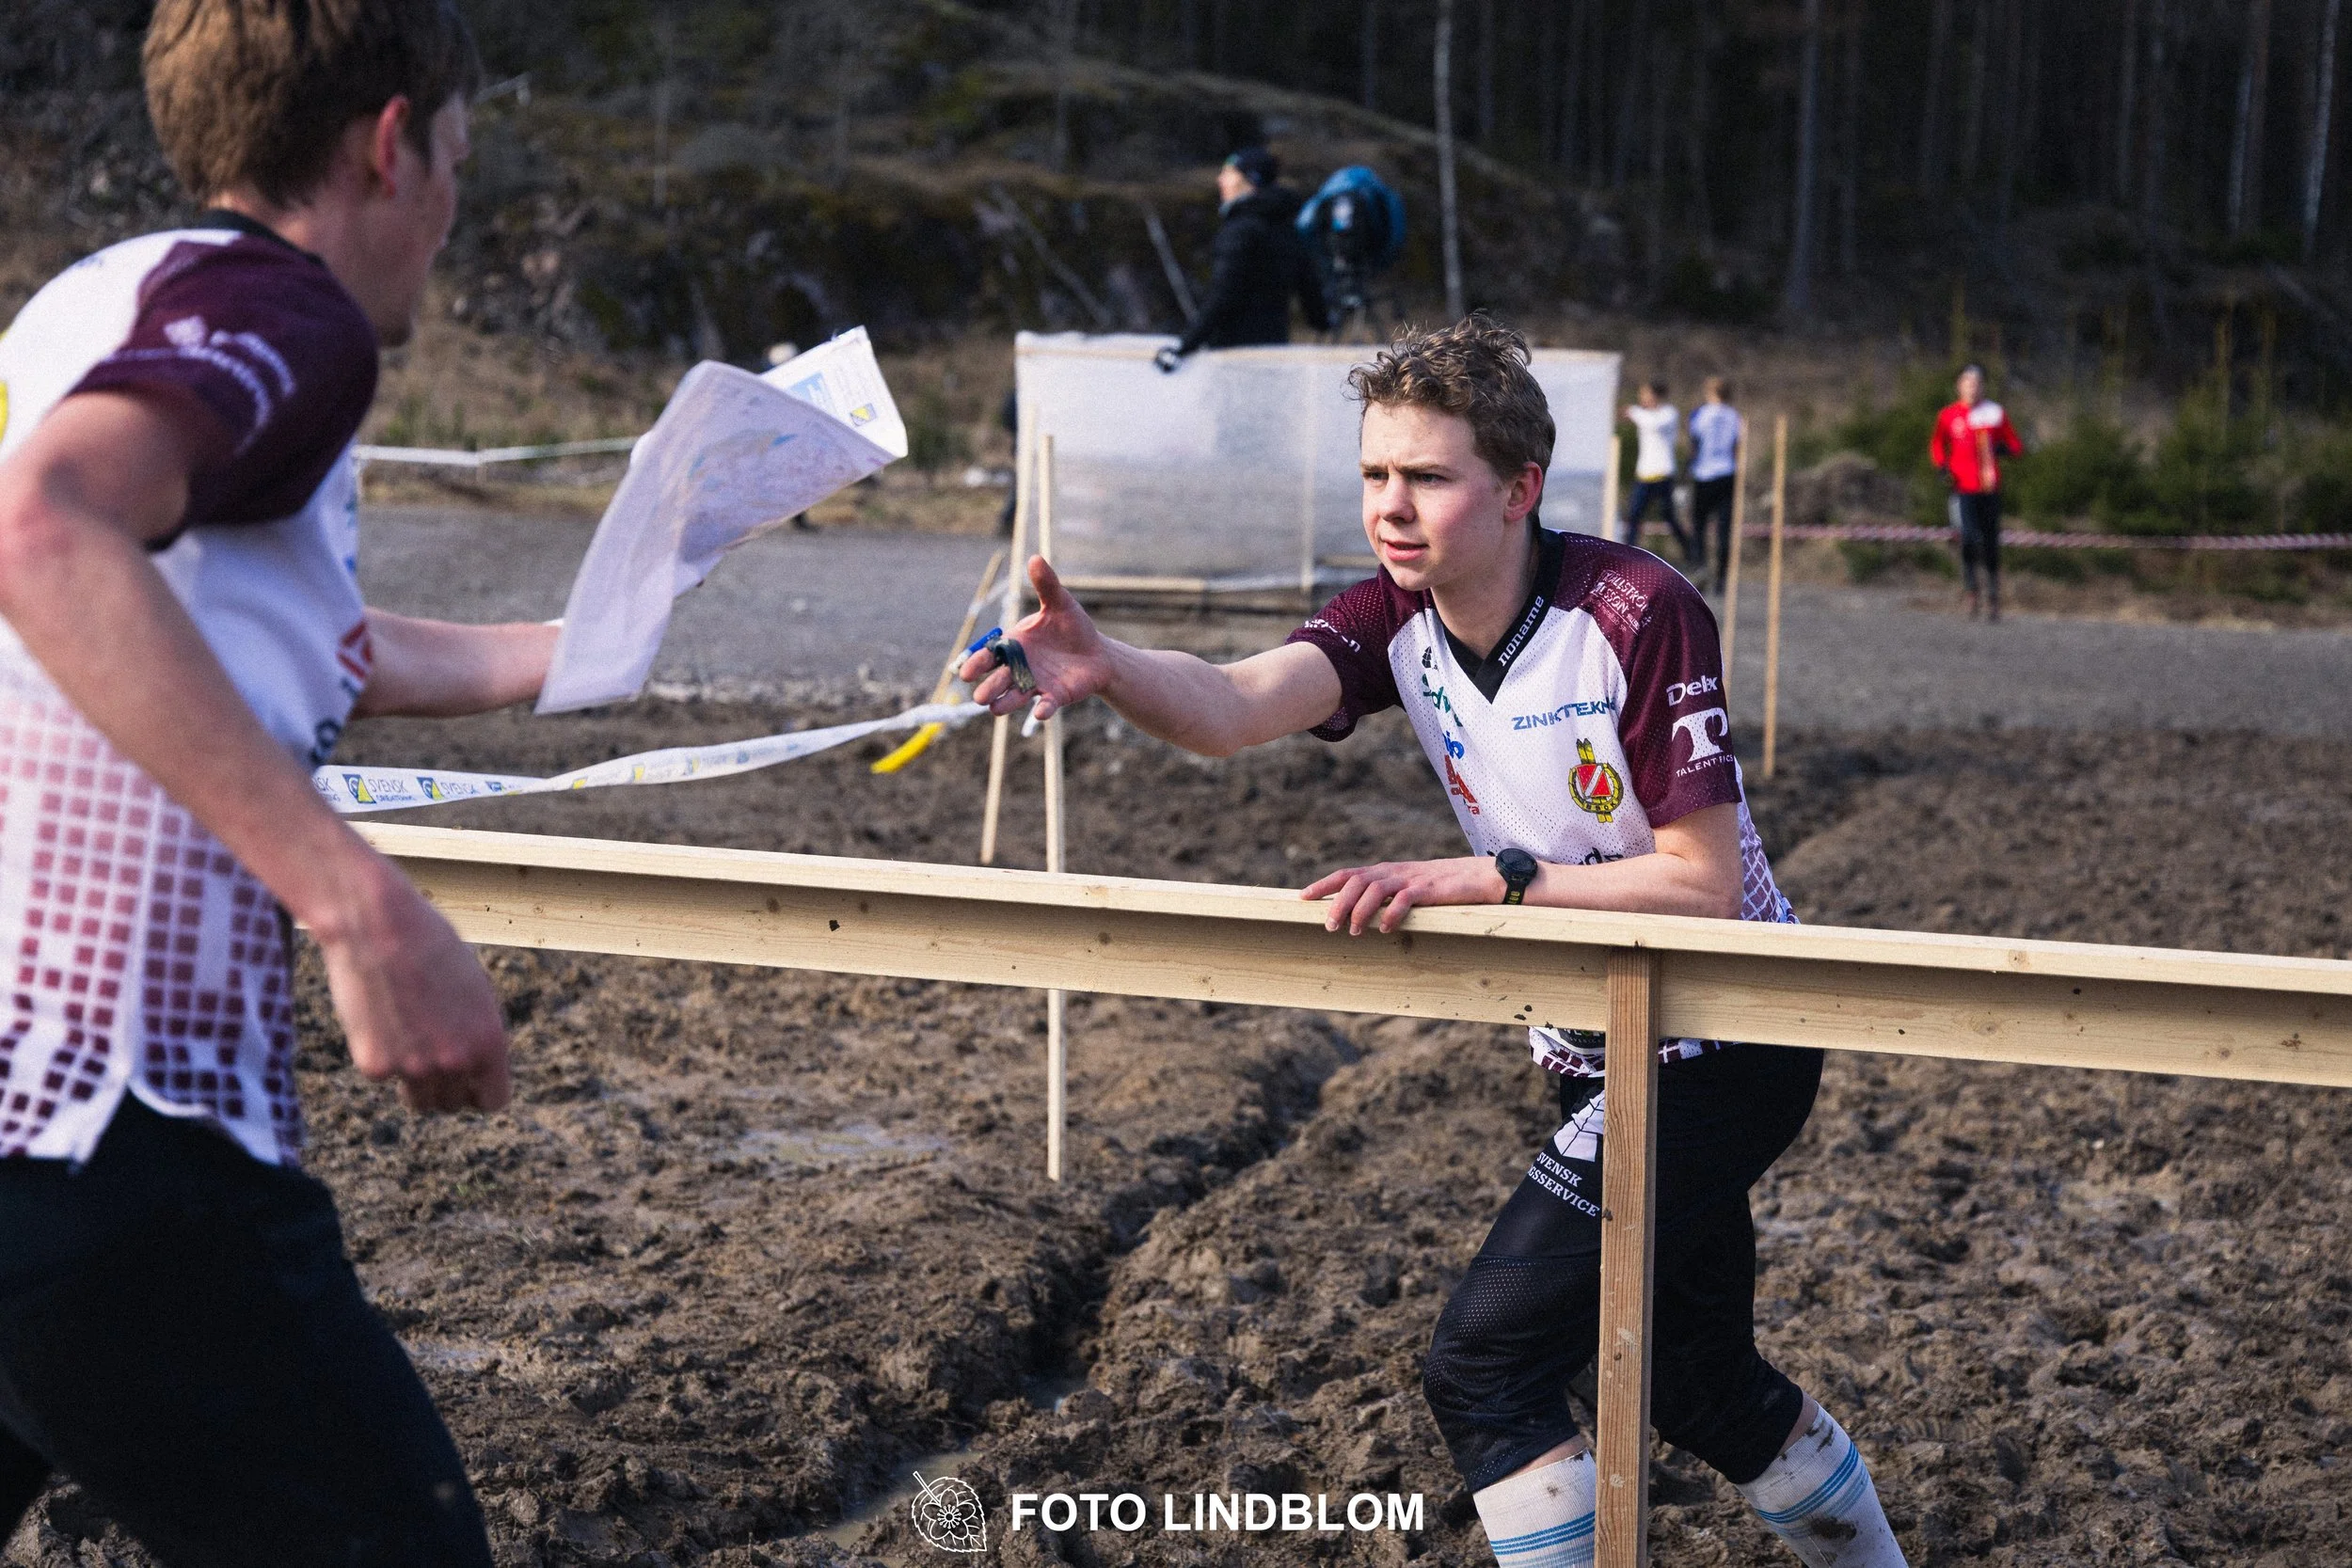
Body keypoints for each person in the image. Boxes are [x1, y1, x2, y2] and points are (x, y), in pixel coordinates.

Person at [963, 315, 1909, 1568]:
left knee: (1483, 1364)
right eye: (1374, 475)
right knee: (1697, 1381)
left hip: (1727, 1042)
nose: (1391, 507)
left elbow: (1703, 889)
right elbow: (1240, 701)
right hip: (1596, 1046)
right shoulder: (1390, 616)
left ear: (1520, 488)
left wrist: (1493, 876)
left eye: (1428, 477)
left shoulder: (1639, 608)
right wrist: (1109, 663)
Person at [0, 3, 556, 1561]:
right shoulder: (288, 311)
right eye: (455, 160)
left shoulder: (93, 305)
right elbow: (46, 535)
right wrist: (362, 904)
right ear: (392, 146)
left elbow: (283, 643)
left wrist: (568, 653)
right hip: (120, 1138)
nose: (451, 208)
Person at [1154, 147, 1330, 372]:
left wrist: (1184, 345)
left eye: (1228, 173)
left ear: (1249, 181)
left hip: (1234, 356)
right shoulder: (1285, 227)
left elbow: (1224, 294)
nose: (1220, 180)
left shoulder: (1240, 230)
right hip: (1274, 350)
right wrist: (1323, 322)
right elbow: (1309, 288)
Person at [1929, 364, 2023, 621]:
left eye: (1977, 382)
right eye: (1968, 382)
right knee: (1968, 538)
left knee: (1991, 542)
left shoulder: (1994, 413)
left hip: (1990, 487)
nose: (1973, 387)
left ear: (1983, 386)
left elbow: (2015, 443)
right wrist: (1942, 467)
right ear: (1959, 385)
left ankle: (1993, 596)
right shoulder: (1949, 416)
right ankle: (1972, 591)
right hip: (1963, 488)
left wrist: (2006, 449)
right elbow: (1938, 443)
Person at [1686, 376, 1743, 592]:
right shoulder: (1734, 417)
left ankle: (1700, 566)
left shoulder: (1700, 414)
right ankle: (1721, 577)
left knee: (1699, 525)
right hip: (1727, 473)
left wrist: (1687, 470)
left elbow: (1694, 443)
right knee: (1724, 528)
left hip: (1704, 474)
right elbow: (1737, 447)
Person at [1618, 380, 1687, 559]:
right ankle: (1629, 555)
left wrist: (1632, 411)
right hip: (1644, 475)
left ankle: (1690, 551)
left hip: (1663, 473)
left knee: (1669, 517)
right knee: (1634, 516)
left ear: (1655, 395)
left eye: (1645, 393)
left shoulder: (1668, 413)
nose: (1642, 397)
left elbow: (1652, 424)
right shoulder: (1645, 414)